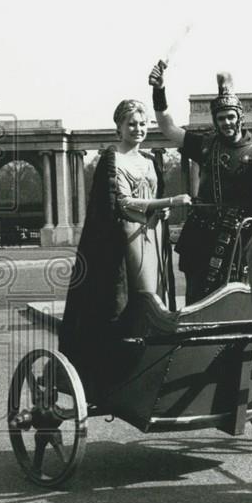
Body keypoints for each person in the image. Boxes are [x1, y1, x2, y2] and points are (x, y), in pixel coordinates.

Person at [59, 99, 191, 390]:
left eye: (143, 123)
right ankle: (123, 368)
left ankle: (149, 366)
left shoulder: (149, 161)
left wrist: (162, 211)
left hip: (153, 237)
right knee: (135, 300)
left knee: (155, 299)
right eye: (131, 123)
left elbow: (153, 198)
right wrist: (169, 201)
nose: (138, 129)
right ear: (118, 127)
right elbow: (121, 202)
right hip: (124, 240)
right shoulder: (111, 158)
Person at [148, 63, 252, 303]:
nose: (226, 122)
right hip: (200, 236)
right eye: (221, 118)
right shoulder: (206, 145)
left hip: (237, 237)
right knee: (196, 299)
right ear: (215, 121)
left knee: (235, 298)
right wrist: (160, 90)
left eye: (231, 117)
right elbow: (167, 127)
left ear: (240, 117)